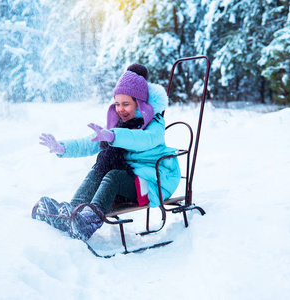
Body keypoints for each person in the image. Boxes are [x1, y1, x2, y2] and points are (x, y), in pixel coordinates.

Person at [32, 64, 181, 241]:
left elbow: (142, 140)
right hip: (132, 179)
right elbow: (88, 142)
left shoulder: (155, 124)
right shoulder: (117, 126)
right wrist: (62, 147)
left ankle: (87, 222)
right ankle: (72, 213)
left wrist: (113, 136)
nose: (120, 109)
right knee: (99, 169)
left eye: (126, 104)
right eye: (117, 104)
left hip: (153, 181)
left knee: (114, 176)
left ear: (139, 104)